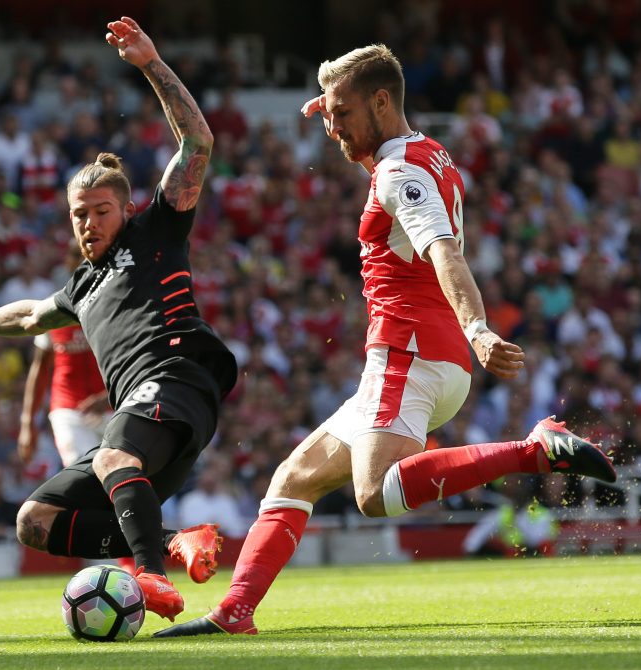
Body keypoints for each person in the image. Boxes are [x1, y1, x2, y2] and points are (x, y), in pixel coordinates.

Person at [155, 43, 617, 638]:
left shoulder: (401, 173)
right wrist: (335, 103)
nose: (332, 126)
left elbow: (444, 253)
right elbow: (390, 178)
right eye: (329, 114)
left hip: (412, 352)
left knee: (373, 494)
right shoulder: (425, 154)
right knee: (294, 479)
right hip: (423, 357)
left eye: (342, 114)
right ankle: (233, 613)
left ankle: (536, 449)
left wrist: (478, 329)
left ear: (380, 102)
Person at [0, 17, 236, 622]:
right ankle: (172, 543)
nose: (88, 222)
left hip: (178, 377)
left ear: (127, 207)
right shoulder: (81, 284)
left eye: (100, 210)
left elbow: (197, 144)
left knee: (115, 458)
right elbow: (30, 316)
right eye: (77, 214)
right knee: (35, 522)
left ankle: (148, 578)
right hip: (137, 415)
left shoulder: (157, 232)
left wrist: (150, 64)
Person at [18, 245, 111, 471]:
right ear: (66, 262)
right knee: (84, 473)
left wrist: (108, 397)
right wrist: (28, 423)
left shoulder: (114, 304)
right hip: (68, 408)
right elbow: (39, 368)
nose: (81, 260)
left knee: (119, 474)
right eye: (74, 255)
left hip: (113, 407)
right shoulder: (52, 308)